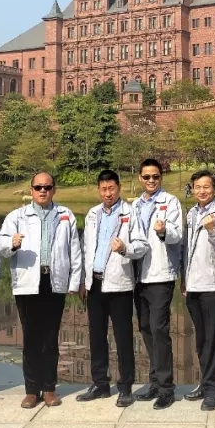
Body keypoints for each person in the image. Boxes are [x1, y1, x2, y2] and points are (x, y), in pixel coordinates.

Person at [0, 171, 83, 409]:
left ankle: (50, 388)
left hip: (54, 281)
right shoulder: (17, 216)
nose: (43, 191)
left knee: (51, 336)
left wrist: (75, 281)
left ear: (54, 189)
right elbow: (0, 245)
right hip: (28, 283)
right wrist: (11, 243)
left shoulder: (65, 215)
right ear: (31, 190)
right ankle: (32, 390)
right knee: (31, 337)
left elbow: (74, 250)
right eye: (38, 187)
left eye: (47, 187)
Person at [77, 170, 148, 408]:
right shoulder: (92, 214)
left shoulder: (130, 212)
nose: (108, 193)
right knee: (96, 335)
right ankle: (100, 383)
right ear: (99, 190)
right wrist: (83, 280)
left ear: (119, 188)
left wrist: (125, 249)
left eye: (112, 188)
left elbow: (142, 245)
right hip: (95, 283)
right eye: (104, 189)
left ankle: (125, 387)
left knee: (123, 337)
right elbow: (85, 249)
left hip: (119, 285)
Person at [131, 158, 183, 410]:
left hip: (160, 275)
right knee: (145, 328)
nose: (151, 180)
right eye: (146, 176)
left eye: (155, 176)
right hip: (138, 275)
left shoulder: (170, 202)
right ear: (140, 178)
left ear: (161, 177)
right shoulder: (134, 205)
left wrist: (163, 231)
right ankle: (154, 381)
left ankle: (166, 388)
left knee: (159, 329)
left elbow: (177, 235)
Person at [182, 170, 215, 411]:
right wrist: (184, 279)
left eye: (206, 186)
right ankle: (206, 382)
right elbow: (187, 249)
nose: (202, 191)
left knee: (214, 338)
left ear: (213, 188)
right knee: (202, 339)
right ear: (192, 189)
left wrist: (213, 229)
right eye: (198, 187)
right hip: (194, 284)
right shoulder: (192, 213)